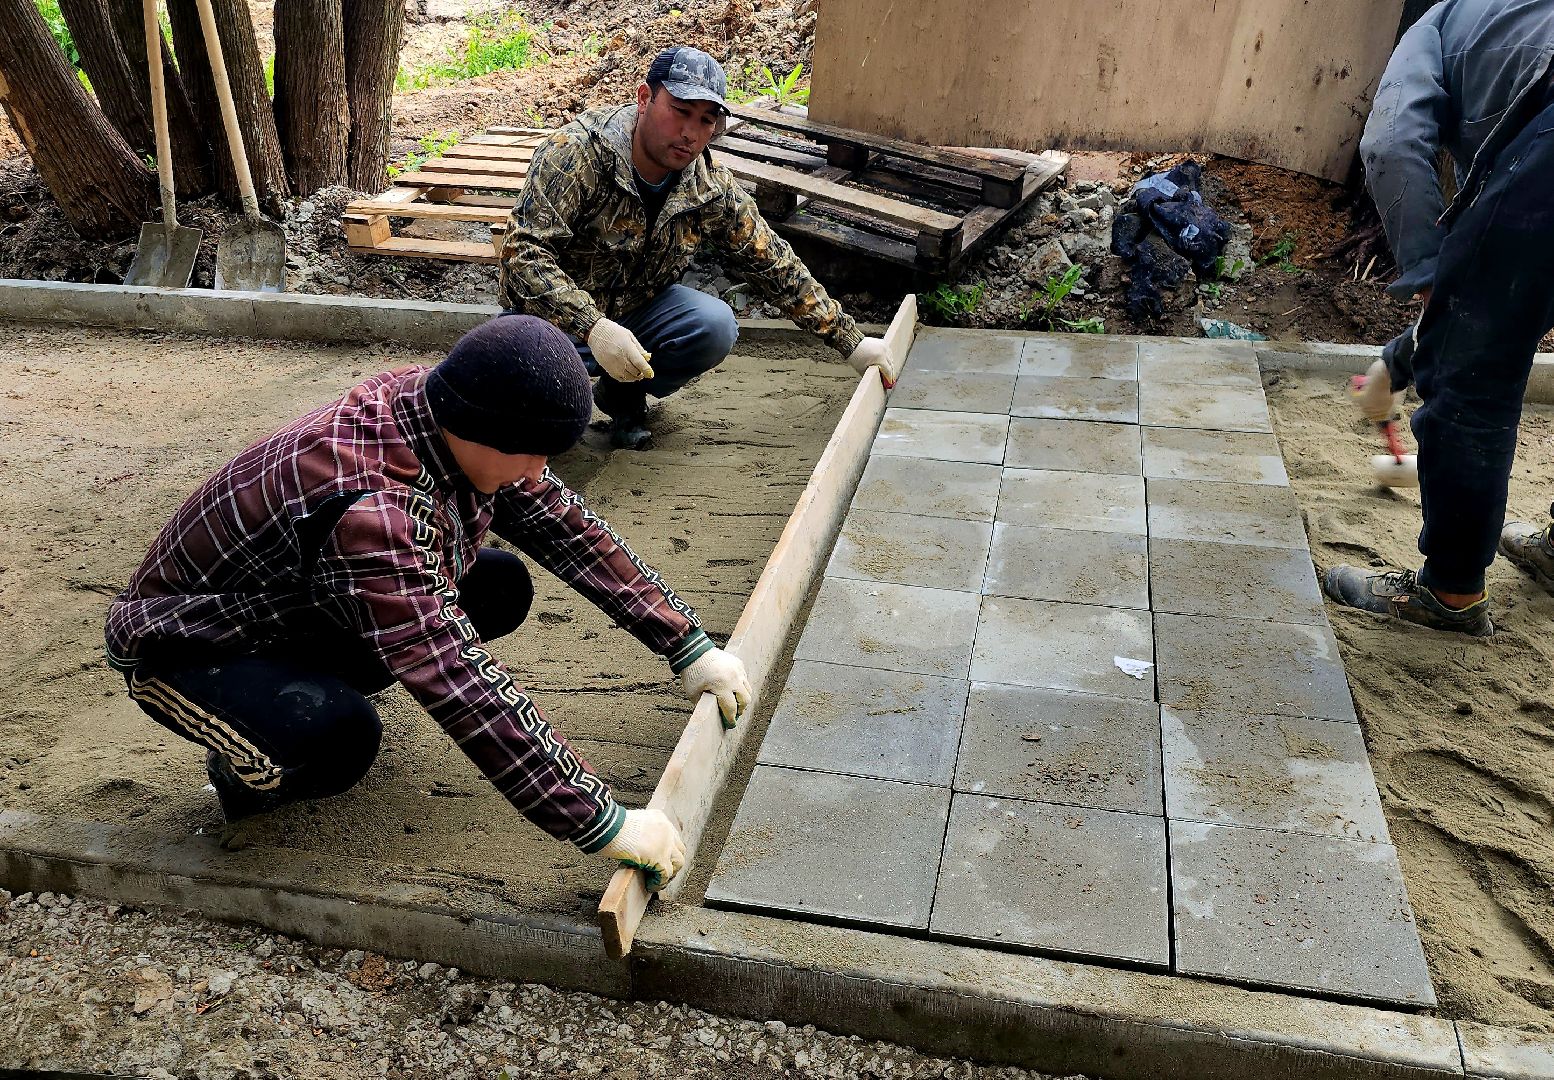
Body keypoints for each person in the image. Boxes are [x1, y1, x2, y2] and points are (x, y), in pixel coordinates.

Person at [104, 316, 752, 890]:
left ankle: (315, 681)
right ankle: (249, 759)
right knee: (339, 738)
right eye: (532, 454)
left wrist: (687, 645)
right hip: (186, 644)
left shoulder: (445, 407)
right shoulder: (369, 510)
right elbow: (456, 676)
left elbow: (567, 528)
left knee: (498, 585)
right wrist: (600, 820)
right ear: (486, 430)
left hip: (294, 604)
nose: (537, 472)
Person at [499, 45, 892, 449]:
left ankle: (622, 392)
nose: (690, 133)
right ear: (644, 99)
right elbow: (522, 254)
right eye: (680, 111)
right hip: (552, 324)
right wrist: (592, 326)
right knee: (532, 417)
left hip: (637, 313)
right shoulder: (578, 153)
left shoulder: (707, 185)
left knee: (713, 325)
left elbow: (771, 262)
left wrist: (852, 342)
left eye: (706, 120)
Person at [1323, 0, 1554, 636]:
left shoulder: (1440, 22)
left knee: (1475, 382)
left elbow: (1392, 141)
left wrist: (1429, 273)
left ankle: (1449, 595)